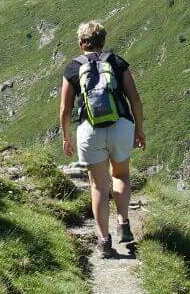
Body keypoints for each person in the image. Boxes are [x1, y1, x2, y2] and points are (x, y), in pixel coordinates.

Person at [59, 20, 145, 257]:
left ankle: (104, 241)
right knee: (121, 174)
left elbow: (66, 108)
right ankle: (123, 222)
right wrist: (139, 129)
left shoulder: (73, 68)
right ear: (103, 41)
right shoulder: (116, 62)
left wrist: (66, 136)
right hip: (121, 126)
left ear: (80, 42)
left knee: (98, 185)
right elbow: (134, 98)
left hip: (90, 129)